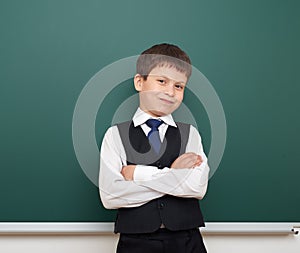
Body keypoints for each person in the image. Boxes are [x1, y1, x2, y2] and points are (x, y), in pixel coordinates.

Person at [99, 43, 209, 253]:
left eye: (179, 86)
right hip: (135, 243)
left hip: (188, 241)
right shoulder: (115, 135)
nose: (170, 91)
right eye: (161, 81)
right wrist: (175, 175)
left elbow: (197, 187)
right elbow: (111, 195)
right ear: (140, 82)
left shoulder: (190, 134)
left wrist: (139, 173)